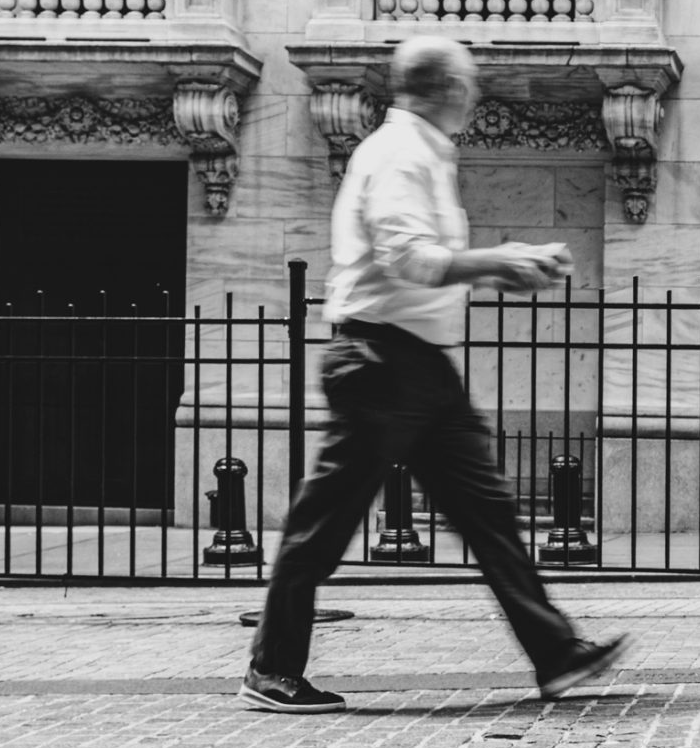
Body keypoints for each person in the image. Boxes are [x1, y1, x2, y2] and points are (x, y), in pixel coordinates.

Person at [239, 35, 625, 713]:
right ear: (447, 86)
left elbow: (425, 267)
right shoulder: (398, 155)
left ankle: (556, 653)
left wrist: (492, 272)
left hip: (418, 365)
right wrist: (497, 260)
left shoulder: (423, 155)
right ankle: (272, 668)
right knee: (324, 523)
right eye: (469, 82)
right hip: (380, 363)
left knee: (490, 514)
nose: (475, 95)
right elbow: (409, 258)